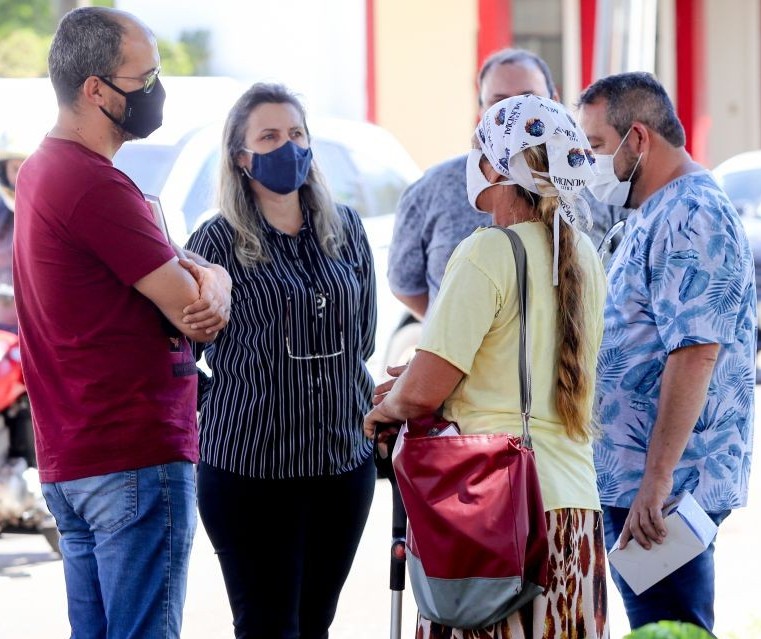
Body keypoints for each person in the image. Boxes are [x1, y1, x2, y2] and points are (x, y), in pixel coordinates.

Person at [13, 7, 232, 638]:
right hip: (132, 454)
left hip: (76, 457)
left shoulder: (40, 171)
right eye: (146, 77)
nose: (156, 91)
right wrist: (213, 277)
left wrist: (200, 270)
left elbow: (173, 268)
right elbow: (193, 313)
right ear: (96, 89)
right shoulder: (95, 187)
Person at [365, 94, 609, 639]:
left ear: (501, 167)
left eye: (480, 153)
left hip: (495, 510)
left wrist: (390, 402)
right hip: (572, 509)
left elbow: (426, 391)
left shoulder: (487, 252)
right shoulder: (584, 255)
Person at [185, 82, 377, 639]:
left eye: (296, 133)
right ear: (242, 158)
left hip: (342, 466)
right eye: (269, 136)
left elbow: (362, 340)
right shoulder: (216, 244)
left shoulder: (347, 230)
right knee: (268, 626)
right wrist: (222, 400)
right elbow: (178, 353)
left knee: (315, 623)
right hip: (251, 470)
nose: (286, 146)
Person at [577, 71, 756, 634]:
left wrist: (655, 483)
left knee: (671, 628)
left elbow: (696, 352)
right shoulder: (660, 206)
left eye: (597, 146)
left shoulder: (690, 213)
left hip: (664, 497)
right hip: (643, 485)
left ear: (639, 138)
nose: (590, 162)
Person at [388, 47, 624, 321]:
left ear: (554, 102)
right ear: (481, 111)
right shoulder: (432, 188)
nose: (515, 117)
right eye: (499, 103)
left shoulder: (595, 184)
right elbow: (405, 284)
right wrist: (451, 329)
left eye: (528, 99)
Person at [0, 131, 30, 331]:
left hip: (26, 328)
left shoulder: (51, 212)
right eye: (15, 168)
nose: (19, 176)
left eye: (26, 168)